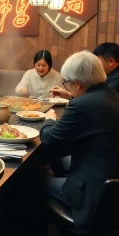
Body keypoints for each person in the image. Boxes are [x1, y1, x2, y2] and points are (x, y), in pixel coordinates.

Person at [40, 51, 119, 234]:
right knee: (60, 161)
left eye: (67, 82)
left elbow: (50, 138)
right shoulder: (111, 96)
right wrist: (71, 97)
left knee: (34, 179)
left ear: (79, 84)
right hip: (110, 177)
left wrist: (49, 119)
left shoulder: (83, 106)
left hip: (95, 194)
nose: (66, 86)